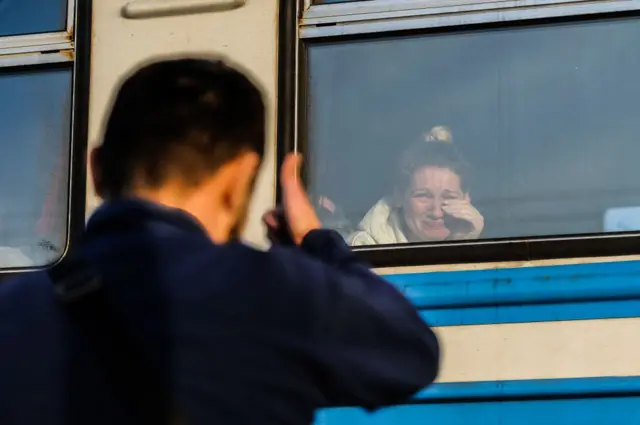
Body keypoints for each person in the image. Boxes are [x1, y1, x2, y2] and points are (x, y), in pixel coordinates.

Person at [0, 57, 439, 425]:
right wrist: (314, 240)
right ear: (240, 179)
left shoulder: (14, 311)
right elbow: (410, 351)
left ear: (95, 169)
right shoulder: (276, 291)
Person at [350, 126, 484, 245]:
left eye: (448, 197)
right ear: (400, 196)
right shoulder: (362, 252)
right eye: (423, 196)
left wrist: (464, 245)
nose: (436, 212)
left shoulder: (494, 250)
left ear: (466, 199)